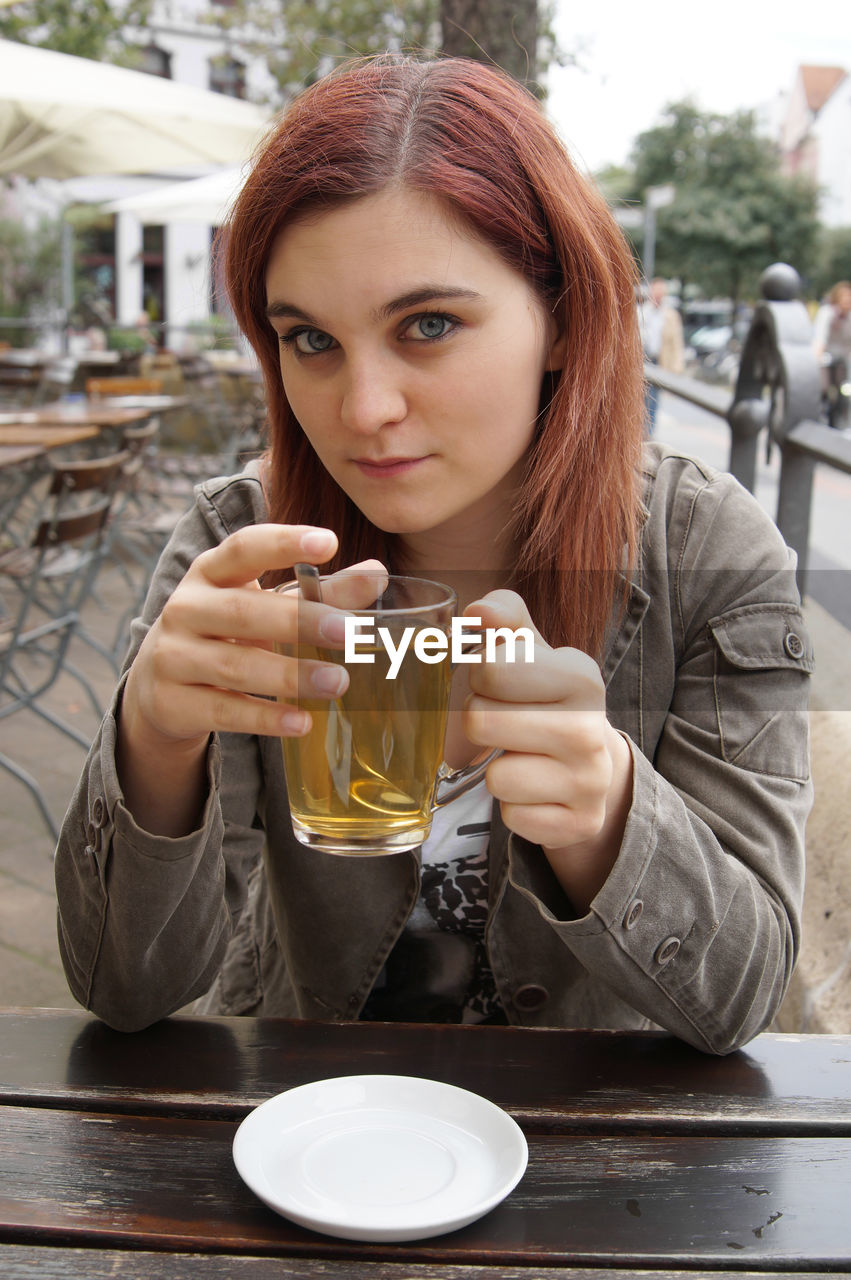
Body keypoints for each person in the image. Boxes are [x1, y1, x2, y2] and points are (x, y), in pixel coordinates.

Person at [54, 55, 812, 1053]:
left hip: (601, 1163)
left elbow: (742, 995)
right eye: (310, 340)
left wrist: (606, 813)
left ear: (558, 315)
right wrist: (151, 739)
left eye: (427, 324)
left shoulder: (707, 551)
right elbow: (125, 992)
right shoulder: (243, 550)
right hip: (303, 1140)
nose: (361, 409)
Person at [638, 277, 685, 434]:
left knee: (653, 399)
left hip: (659, 360)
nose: (658, 295)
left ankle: (648, 434)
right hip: (641, 360)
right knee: (639, 397)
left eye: (661, 292)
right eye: (656, 291)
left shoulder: (670, 315)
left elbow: (677, 342)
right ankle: (639, 432)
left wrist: (677, 367)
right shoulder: (641, 311)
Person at [813, 281, 851, 428]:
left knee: (845, 391)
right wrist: (818, 357)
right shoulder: (827, 313)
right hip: (826, 358)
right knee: (823, 388)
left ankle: (842, 420)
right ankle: (819, 414)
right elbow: (820, 339)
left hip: (844, 360)